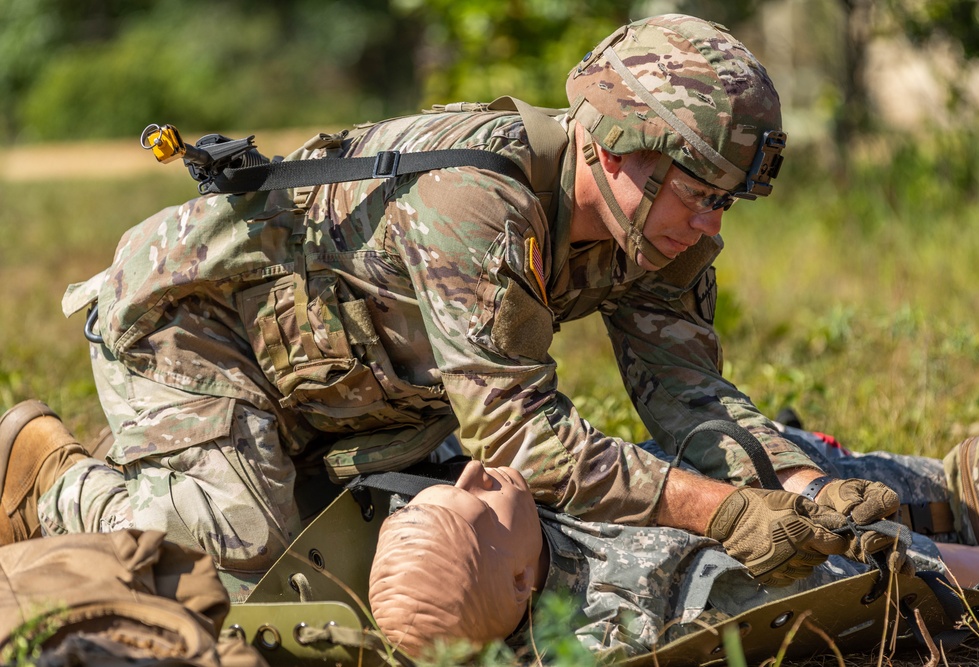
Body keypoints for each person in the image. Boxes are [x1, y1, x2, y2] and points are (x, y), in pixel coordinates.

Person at [0, 14, 898, 599]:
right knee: (239, 546)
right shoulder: (478, 197)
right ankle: (47, 477)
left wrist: (804, 488)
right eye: (700, 192)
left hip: (348, 383)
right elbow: (521, 438)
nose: (711, 224)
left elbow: (690, 394)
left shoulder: (658, 231)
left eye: (726, 202)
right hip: (190, 324)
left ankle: (193, 464)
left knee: (397, 533)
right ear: (625, 149)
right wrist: (719, 510)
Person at [367, 457, 979, 662]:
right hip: (867, 551)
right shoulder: (657, 602)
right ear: (520, 579)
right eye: (474, 503)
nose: (472, 470)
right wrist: (966, 568)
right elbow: (848, 573)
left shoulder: (531, 521)